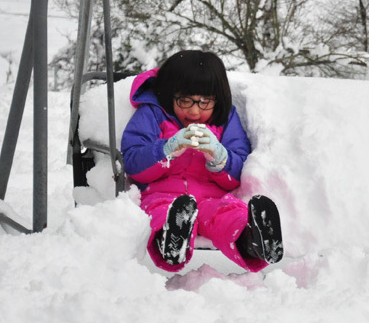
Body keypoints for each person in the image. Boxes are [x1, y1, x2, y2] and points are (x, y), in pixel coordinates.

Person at [121, 50, 283, 271]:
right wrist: (167, 148)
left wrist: (219, 156)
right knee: (161, 212)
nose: (195, 111)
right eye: (185, 101)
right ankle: (172, 240)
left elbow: (237, 174)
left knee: (229, 214)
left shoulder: (225, 120)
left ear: (217, 99)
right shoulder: (152, 114)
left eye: (205, 102)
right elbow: (132, 162)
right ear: (170, 95)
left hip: (212, 198)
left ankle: (253, 240)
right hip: (160, 194)